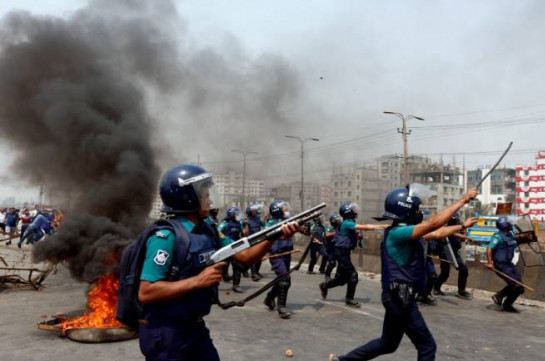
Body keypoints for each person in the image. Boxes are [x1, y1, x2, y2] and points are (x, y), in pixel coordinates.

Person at [138, 164, 299, 361]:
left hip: (195, 328)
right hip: (166, 332)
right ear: (188, 198)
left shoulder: (209, 229)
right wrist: (198, 281)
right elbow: (146, 291)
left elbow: (245, 257)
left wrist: (273, 237)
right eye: (205, 195)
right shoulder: (166, 237)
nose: (210, 200)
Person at [329, 185, 477, 361]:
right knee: (427, 346)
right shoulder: (399, 233)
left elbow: (436, 232)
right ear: (405, 210)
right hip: (400, 298)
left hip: (395, 296)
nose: (419, 212)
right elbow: (433, 224)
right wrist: (463, 200)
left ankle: (342, 360)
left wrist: (461, 226)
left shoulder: (403, 232)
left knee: (388, 344)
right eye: (416, 208)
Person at [319, 202, 387, 308]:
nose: (356, 211)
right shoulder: (347, 223)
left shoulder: (348, 222)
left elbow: (349, 235)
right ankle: (349, 299)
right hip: (341, 253)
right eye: (354, 210)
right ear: (349, 212)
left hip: (343, 253)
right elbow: (366, 226)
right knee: (353, 275)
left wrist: (356, 237)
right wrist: (383, 226)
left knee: (343, 279)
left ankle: (325, 285)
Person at [486, 216, 528, 313]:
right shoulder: (498, 237)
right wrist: (489, 263)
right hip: (500, 265)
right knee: (516, 284)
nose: (510, 225)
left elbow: (521, 237)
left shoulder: (511, 234)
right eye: (509, 224)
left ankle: (507, 305)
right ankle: (499, 296)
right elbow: (489, 249)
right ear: (505, 225)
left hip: (509, 264)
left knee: (520, 287)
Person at [263, 200, 295, 319]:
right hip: (276, 255)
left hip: (286, 254)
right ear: (277, 210)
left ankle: (270, 298)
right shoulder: (270, 224)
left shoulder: (288, 222)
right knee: (284, 279)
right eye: (284, 209)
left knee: (283, 280)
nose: (286, 211)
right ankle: (281, 307)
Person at [433, 213, 473, 299]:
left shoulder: (454, 228)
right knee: (445, 273)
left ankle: (461, 291)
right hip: (445, 253)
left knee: (463, 269)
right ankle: (436, 287)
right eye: (456, 220)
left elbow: (455, 234)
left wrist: (467, 238)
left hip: (454, 252)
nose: (457, 221)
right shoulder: (445, 228)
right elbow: (448, 234)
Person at [218, 206, 248, 293]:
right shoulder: (225, 224)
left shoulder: (239, 224)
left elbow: (244, 233)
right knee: (224, 264)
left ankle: (236, 285)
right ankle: (224, 276)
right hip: (227, 247)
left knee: (238, 266)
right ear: (231, 215)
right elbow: (217, 232)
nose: (238, 216)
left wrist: (246, 224)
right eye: (237, 214)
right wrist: (225, 240)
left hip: (236, 247)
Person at [247, 204, 265, 281]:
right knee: (254, 258)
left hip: (258, 239)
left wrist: (266, 219)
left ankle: (257, 271)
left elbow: (263, 224)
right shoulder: (246, 220)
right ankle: (253, 274)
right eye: (254, 211)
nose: (256, 212)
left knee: (259, 257)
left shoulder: (257, 219)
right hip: (251, 241)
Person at [323, 213, 342, 280]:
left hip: (338, 249)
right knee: (332, 263)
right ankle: (327, 275)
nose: (339, 222)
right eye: (337, 220)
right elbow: (327, 235)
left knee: (341, 263)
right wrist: (336, 233)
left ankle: (337, 275)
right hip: (330, 249)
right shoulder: (329, 228)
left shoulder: (341, 228)